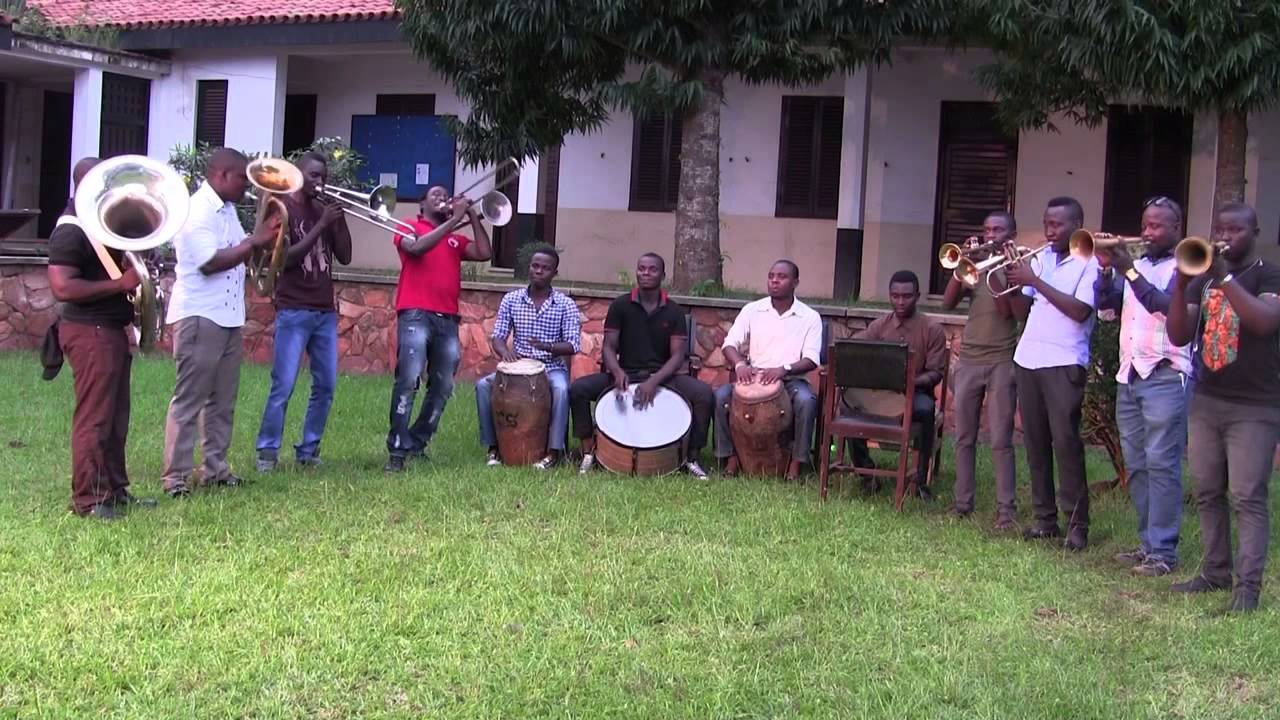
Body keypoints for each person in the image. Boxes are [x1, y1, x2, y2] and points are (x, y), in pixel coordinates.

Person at [1165, 202, 1280, 613]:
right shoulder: (1204, 278)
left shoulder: (1269, 273)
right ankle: (1215, 572)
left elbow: (1265, 321)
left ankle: (1248, 590)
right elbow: (1179, 334)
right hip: (1207, 399)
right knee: (1208, 491)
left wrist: (1225, 278)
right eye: (1221, 229)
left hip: (1254, 405)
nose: (1227, 236)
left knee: (1247, 496)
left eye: (1236, 230)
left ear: (1254, 232)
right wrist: (1180, 286)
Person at [161, 148, 282, 497]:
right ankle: (175, 479)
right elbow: (210, 262)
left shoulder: (227, 210)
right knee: (189, 399)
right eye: (242, 178)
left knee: (222, 400)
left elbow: (244, 250)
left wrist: (265, 239)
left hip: (228, 315)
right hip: (200, 315)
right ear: (221, 175)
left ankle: (215, 469)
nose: (246, 185)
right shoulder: (196, 211)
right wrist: (255, 240)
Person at [46, 157, 156, 519]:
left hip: (107, 330)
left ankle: (114, 490)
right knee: (94, 417)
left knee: (115, 416)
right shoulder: (72, 229)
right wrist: (120, 284)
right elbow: (62, 286)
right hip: (89, 330)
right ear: (86, 185)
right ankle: (89, 500)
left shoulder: (99, 222)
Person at [1093, 197, 1192, 577]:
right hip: (1130, 375)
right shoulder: (1135, 268)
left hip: (1165, 374)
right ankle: (1148, 544)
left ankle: (1164, 552)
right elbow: (1107, 313)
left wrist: (1129, 270)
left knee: (1162, 465)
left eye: (1157, 226)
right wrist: (1106, 273)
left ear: (1176, 227)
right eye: (1145, 225)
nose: (1148, 233)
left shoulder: (1187, 267)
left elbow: (1165, 308)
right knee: (1137, 466)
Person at [1003, 196, 1100, 551]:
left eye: (1057, 224)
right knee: (1035, 443)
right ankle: (1045, 520)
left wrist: (1035, 281)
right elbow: (1020, 311)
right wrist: (1011, 276)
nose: (1049, 230)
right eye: (1046, 223)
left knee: (1066, 444)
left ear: (1077, 224)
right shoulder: (1039, 259)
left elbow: (1079, 311)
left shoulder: (1089, 263)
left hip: (1064, 361)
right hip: (1028, 357)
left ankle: (1078, 525)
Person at [569, 253, 713, 480]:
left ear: (663, 275)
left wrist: (654, 382)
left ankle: (692, 456)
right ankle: (589, 449)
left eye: (652, 269)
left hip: (663, 376)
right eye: (641, 269)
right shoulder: (621, 305)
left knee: (704, 394)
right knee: (578, 390)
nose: (646, 273)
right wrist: (616, 372)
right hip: (626, 373)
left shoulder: (673, 311)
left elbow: (677, 357)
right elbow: (608, 347)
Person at [254, 152, 353, 472]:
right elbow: (285, 259)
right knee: (283, 384)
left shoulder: (324, 209)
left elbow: (346, 256)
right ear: (298, 176)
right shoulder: (283, 209)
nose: (319, 182)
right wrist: (320, 225)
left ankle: (309, 450)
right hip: (294, 309)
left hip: (324, 311)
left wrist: (339, 220)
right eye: (313, 176)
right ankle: (267, 452)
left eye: (323, 176)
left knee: (326, 386)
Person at [385, 184, 493, 472]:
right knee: (409, 379)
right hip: (415, 315)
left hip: (447, 319)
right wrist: (455, 219)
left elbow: (484, 253)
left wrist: (470, 215)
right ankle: (396, 449)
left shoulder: (455, 239)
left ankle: (417, 443)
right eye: (436, 195)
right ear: (422, 205)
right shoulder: (409, 225)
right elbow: (417, 248)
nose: (443, 198)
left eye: (446, 195)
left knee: (443, 385)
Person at [940, 212, 1020, 528]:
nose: (990, 235)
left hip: (1001, 360)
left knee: (1000, 438)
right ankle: (963, 503)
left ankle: (1006, 511)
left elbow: (1007, 310)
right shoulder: (974, 268)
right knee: (963, 436)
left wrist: (995, 266)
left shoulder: (1016, 267)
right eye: (986, 230)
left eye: (997, 230)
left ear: (1011, 233)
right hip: (970, 360)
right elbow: (947, 303)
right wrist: (963, 265)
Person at [714, 260, 822, 481]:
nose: (774, 280)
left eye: (781, 276)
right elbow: (729, 344)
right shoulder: (752, 310)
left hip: (791, 379)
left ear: (795, 282)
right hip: (754, 376)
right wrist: (740, 365)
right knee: (721, 396)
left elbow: (811, 359)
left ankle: (796, 463)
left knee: (807, 401)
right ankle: (730, 458)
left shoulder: (810, 317)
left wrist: (785, 369)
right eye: (771, 275)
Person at [475, 246, 581, 469]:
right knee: (483, 386)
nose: (539, 271)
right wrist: (505, 353)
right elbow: (498, 337)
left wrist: (547, 346)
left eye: (545, 268)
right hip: (517, 366)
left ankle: (554, 451)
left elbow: (573, 344)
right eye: (535, 266)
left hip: (551, 367)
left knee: (561, 391)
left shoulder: (565, 304)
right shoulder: (512, 299)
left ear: (554, 273)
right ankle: (493, 447)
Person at [849, 270, 948, 495]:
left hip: (916, 391)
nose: (900, 301)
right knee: (850, 405)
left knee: (925, 408)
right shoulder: (879, 326)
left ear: (918, 296)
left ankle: (920, 480)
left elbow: (935, 373)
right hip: (881, 392)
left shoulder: (931, 329)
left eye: (907, 296)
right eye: (895, 296)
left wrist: (910, 383)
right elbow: (855, 346)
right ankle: (866, 474)